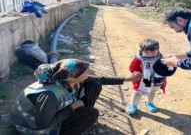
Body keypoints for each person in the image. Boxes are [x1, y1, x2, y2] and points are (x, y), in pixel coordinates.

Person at [10, 58, 142, 135]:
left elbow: (101, 79)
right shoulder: (50, 95)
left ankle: (81, 115)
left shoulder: (67, 78)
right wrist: (72, 107)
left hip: (53, 113)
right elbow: (43, 125)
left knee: (94, 84)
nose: (88, 72)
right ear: (72, 77)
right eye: (85, 71)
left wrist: (126, 79)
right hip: (36, 128)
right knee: (91, 114)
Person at [125, 38, 167, 115]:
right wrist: (137, 74)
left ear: (158, 50)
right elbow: (132, 68)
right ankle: (133, 105)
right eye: (147, 52)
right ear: (141, 51)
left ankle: (149, 102)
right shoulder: (138, 59)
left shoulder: (162, 58)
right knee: (137, 93)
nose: (150, 54)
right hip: (142, 80)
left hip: (156, 80)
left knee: (152, 91)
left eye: (153, 52)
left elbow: (166, 68)